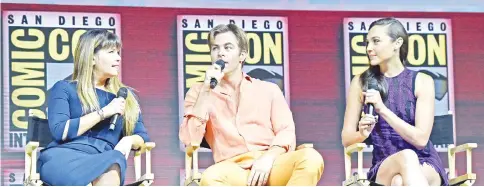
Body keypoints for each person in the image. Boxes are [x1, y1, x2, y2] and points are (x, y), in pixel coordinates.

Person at [179, 23, 324, 186]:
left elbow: (286, 131)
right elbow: (190, 140)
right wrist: (206, 89)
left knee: (311, 158)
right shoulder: (199, 92)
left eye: (228, 47)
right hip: (233, 169)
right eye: (215, 48)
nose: (220, 53)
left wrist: (268, 158)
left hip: (272, 165)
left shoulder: (269, 90)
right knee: (210, 178)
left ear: (242, 55)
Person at [341, 17, 449, 186]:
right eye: (367, 43)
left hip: (425, 162)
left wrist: (382, 109)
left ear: (397, 43)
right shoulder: (361, 82)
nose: (369, 48)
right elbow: (347, 139)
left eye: (376, 41)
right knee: (403, 164)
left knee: (400, 179)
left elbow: (421, 140)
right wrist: (361, 134)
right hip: (384, 164)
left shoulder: (422, 81)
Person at [37, 29, 150, 186]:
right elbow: (60, 131)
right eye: (111, 52)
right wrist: (104, 112)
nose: (118, 58)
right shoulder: (65, 88)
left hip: (106, 157)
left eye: (118, 53)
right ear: (91, 58)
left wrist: (128, 140)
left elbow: (143, 137)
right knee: (112, 159)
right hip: (65, 157)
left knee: (114, 158)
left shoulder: (125, 97)